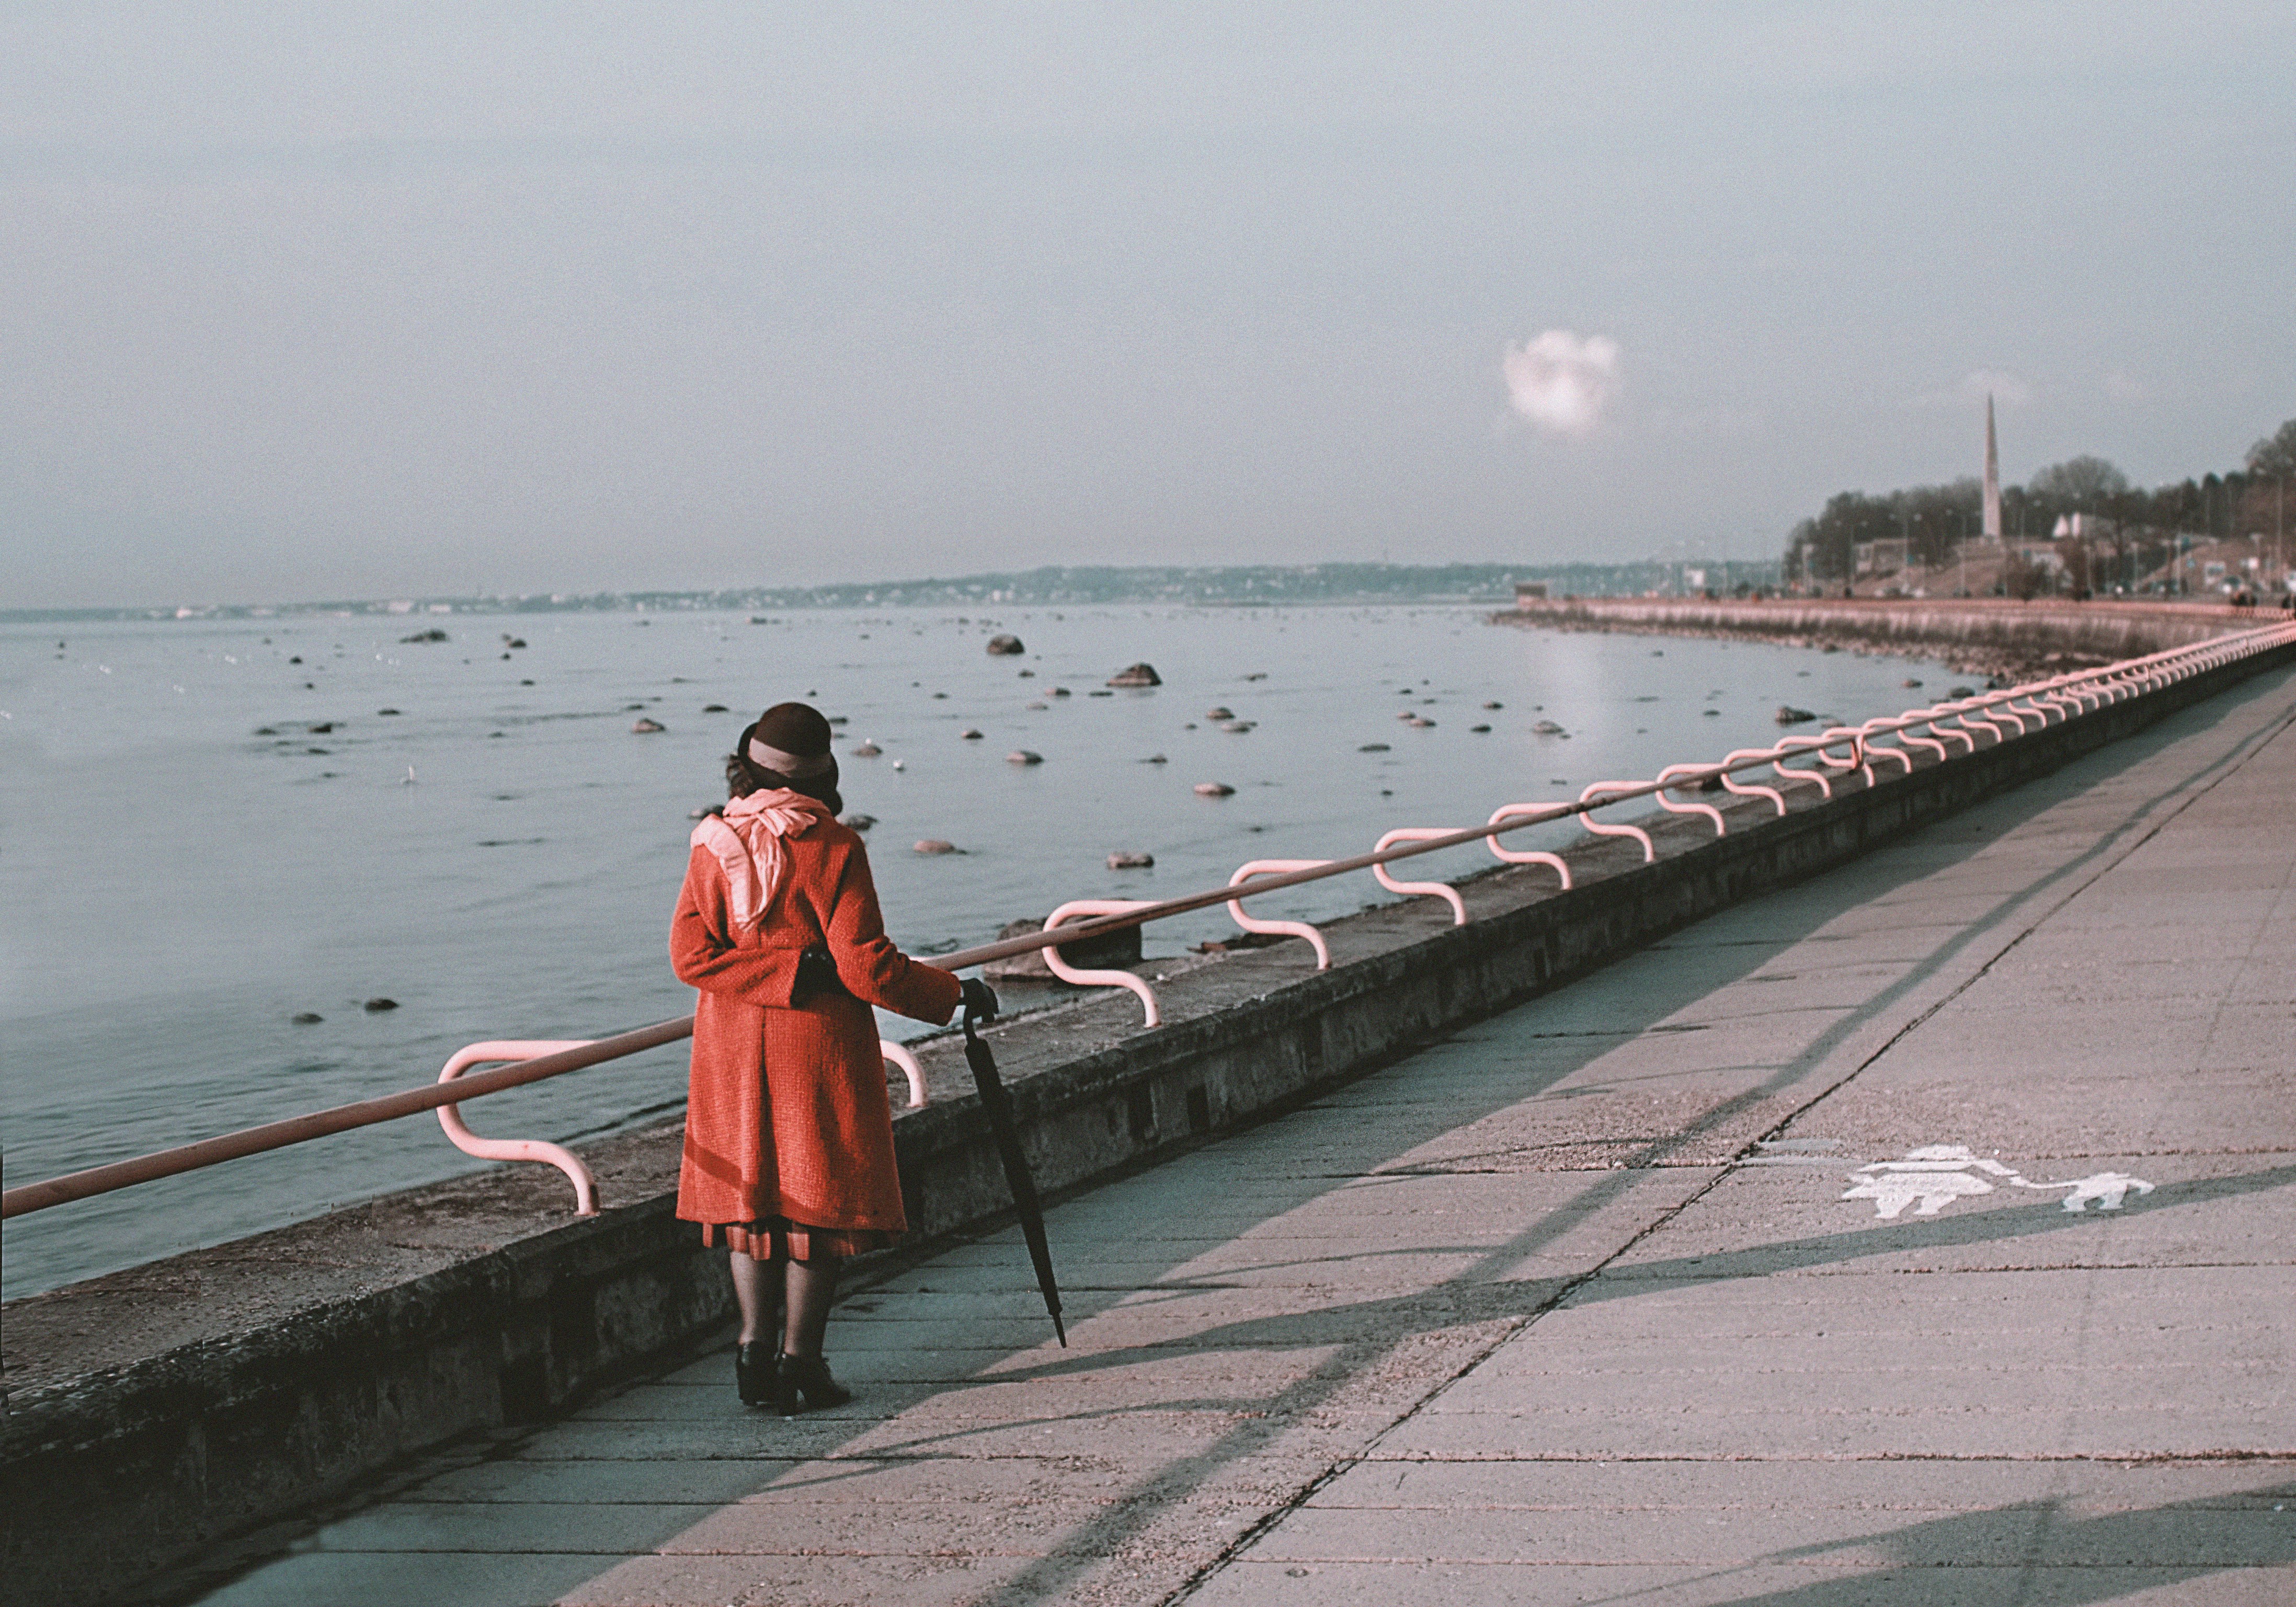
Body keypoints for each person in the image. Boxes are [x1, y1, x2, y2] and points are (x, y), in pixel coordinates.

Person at [669, 702, 994, 1413]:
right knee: (816, 1209)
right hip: (812, 1049)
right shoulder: (833, 845)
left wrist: (770, 972)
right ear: (825, 774)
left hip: (730, 1048)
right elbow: (869, 968)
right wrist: (954, 993)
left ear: (744, 767)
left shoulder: (713, 841)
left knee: (750, 1209)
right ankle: (803, 1364)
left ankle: (753, 1357)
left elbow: (691, 957)